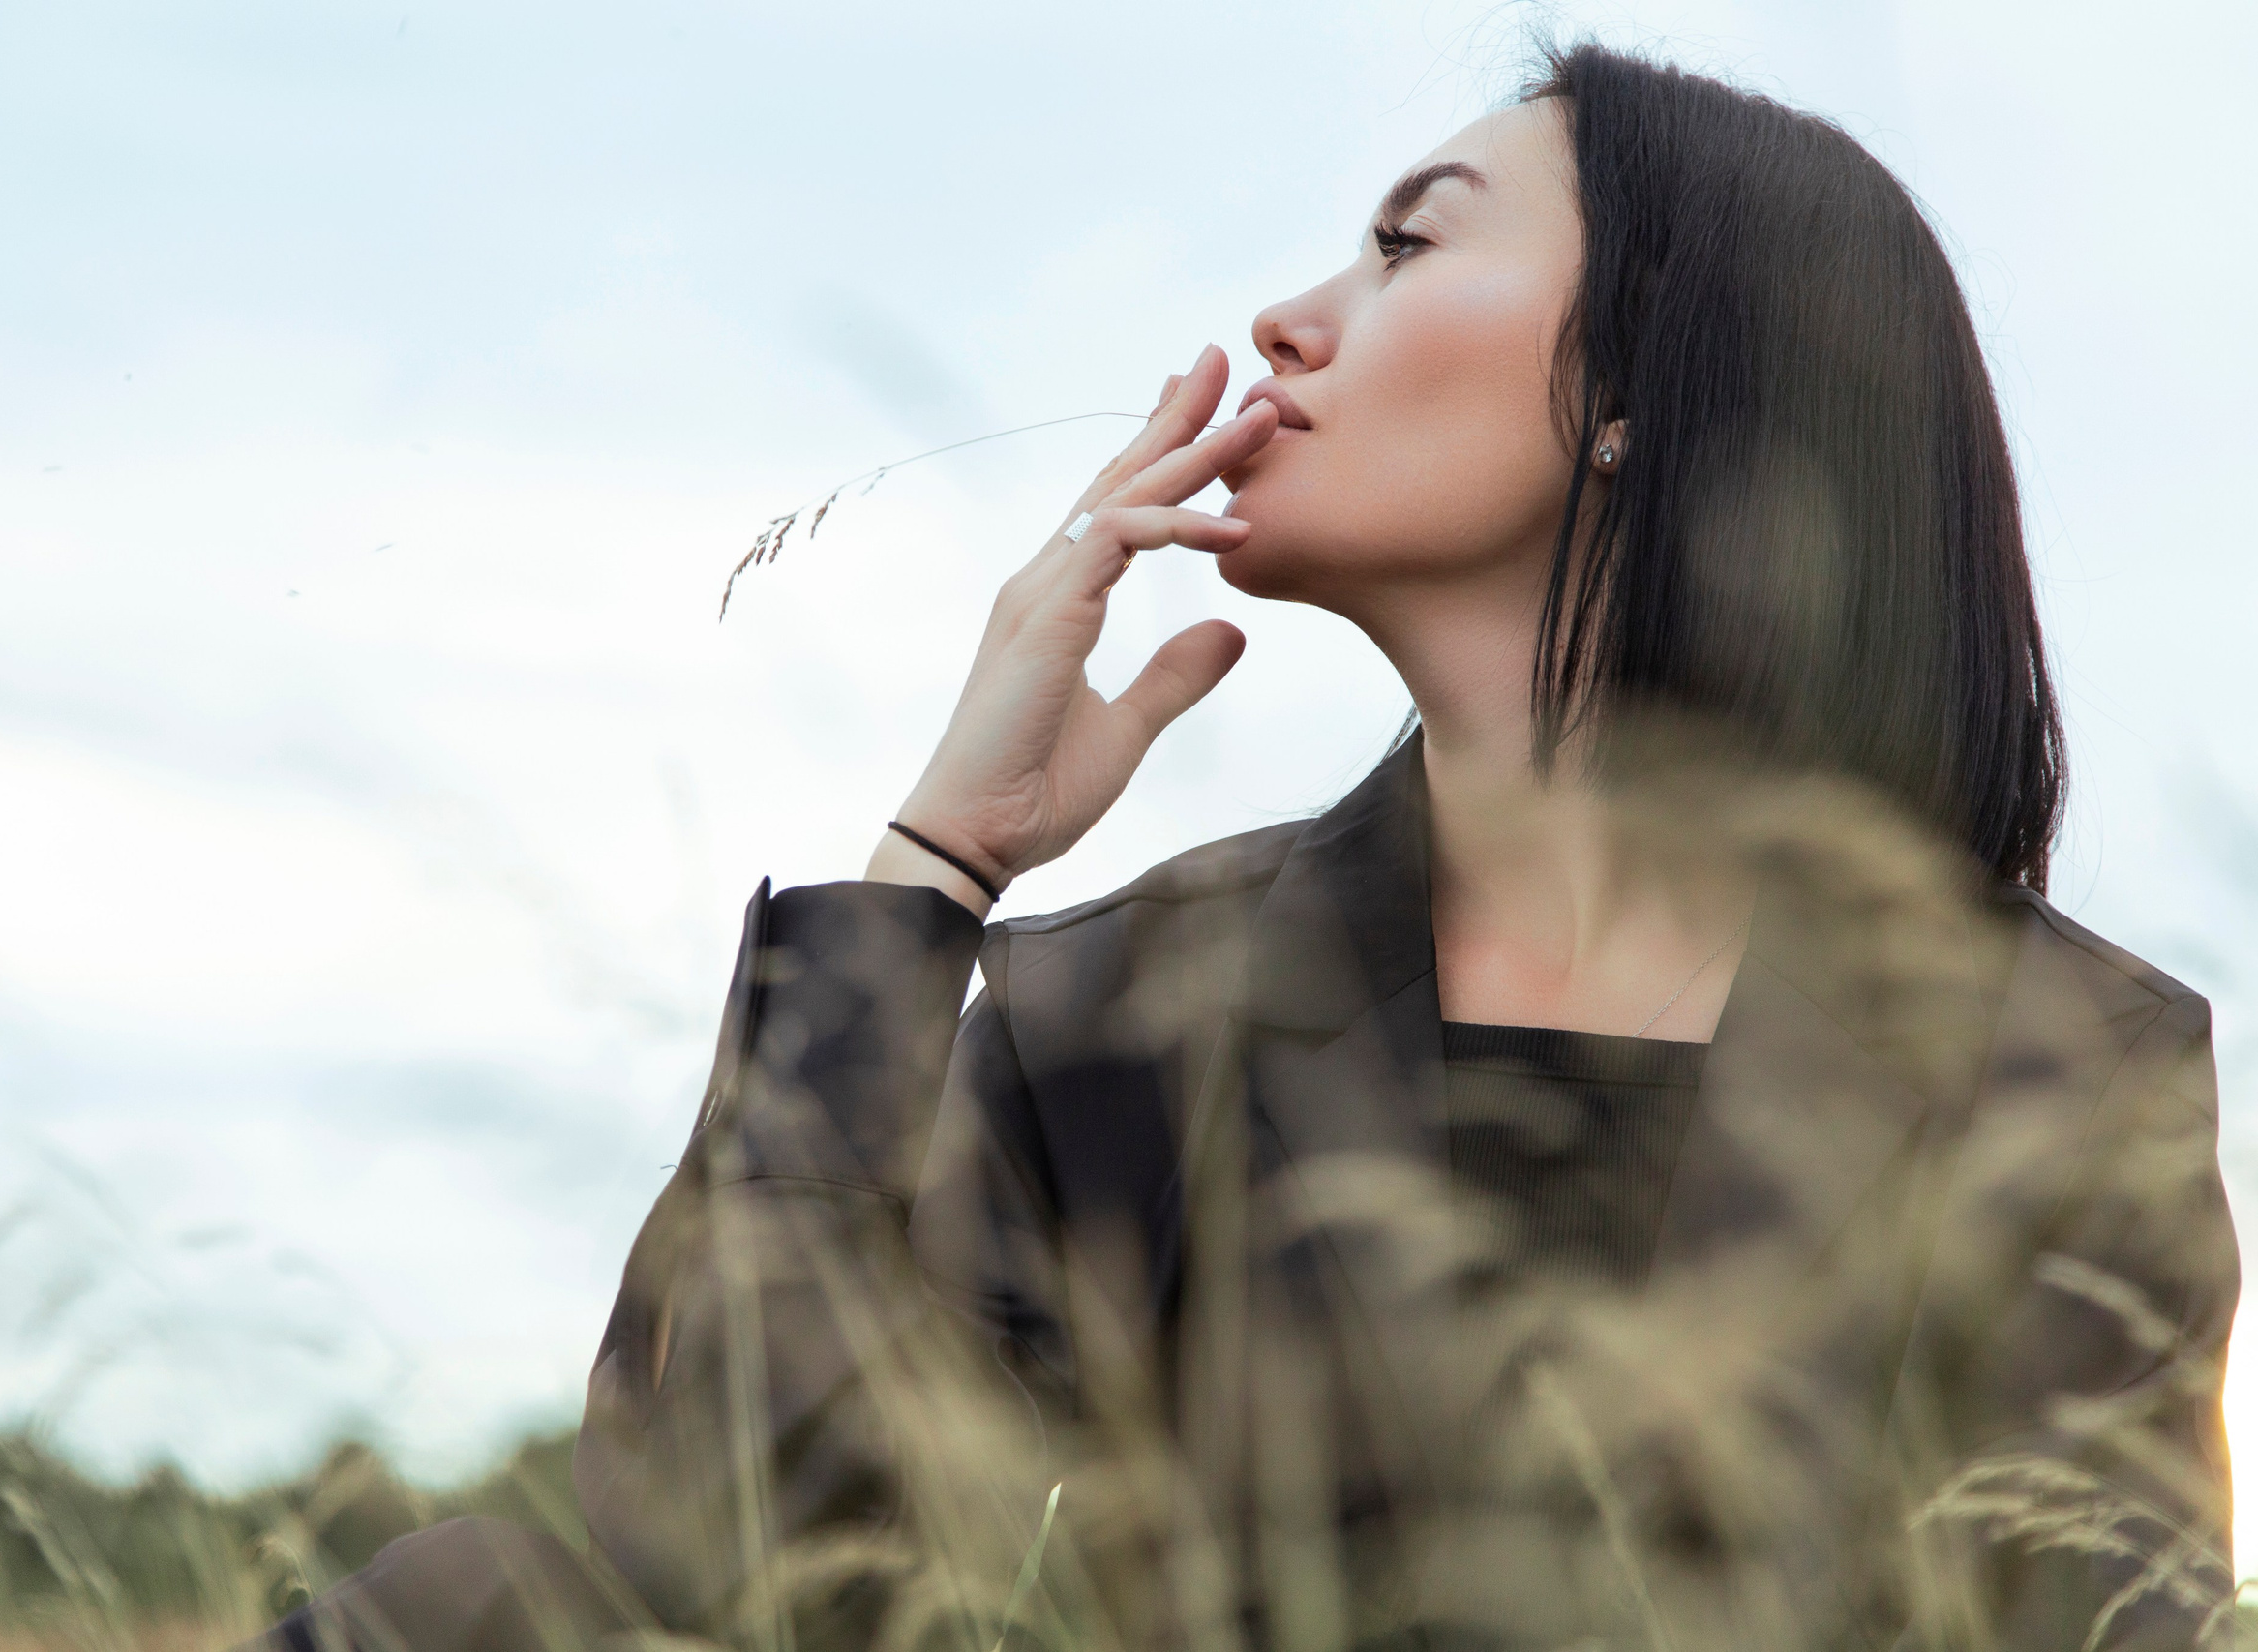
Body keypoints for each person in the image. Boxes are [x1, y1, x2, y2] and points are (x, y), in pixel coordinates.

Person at [256, 41, 2236, 1652]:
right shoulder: (1114, 1006)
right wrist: (935, 865)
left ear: (1643, 376)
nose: (1285, 320)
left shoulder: (2044, 1061)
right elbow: (705, 1558)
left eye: (1402, 247)